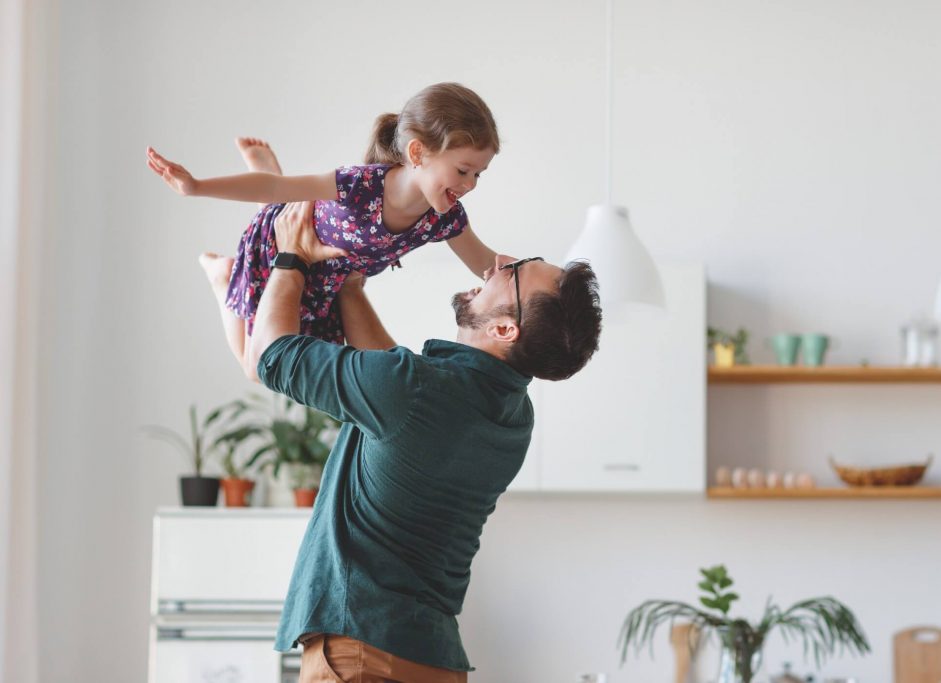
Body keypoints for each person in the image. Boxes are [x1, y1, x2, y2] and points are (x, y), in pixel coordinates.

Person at [251, 200, 602, 682]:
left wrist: (288, 257)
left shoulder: (414, 389)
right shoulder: (513, 416)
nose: (500, 262)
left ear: (504, 328)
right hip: (431, 660)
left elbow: (270, 357)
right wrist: (350, 288)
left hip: (362, 656)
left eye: (515, 271)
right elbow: (397, 392)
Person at [146, 82, 503, 380]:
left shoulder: (445, 218)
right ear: (417, 152)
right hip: (279, 250)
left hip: (325, 284)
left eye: (479, 174)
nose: (471, 184)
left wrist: (553, 278)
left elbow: (488, 263)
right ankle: (222, 276)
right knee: (257, 370)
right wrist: (196, 186)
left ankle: (274, 189)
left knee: (282, 366)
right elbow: (271, 188)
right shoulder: (360, 185)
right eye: (462, 171)